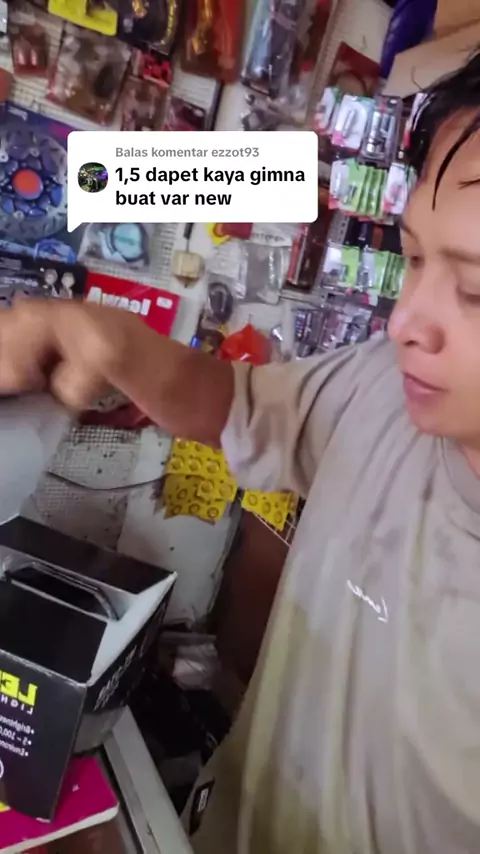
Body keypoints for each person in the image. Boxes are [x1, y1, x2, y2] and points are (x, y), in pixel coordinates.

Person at [2, 55, 480, 853]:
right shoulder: (379, 386)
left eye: (474, 290)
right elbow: (233, 406)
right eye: (415, 259)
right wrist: (106, 336)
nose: (404, 324)